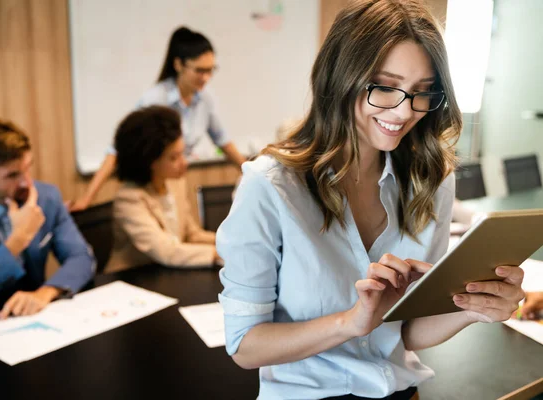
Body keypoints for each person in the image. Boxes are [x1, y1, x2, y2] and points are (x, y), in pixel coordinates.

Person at [216, 1, 525, 399]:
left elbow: (406, 331)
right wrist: (350, 322)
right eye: (385, 86)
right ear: (340, 77)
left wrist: (472, 308)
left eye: (421, 92)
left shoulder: (431, 181)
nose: (403, 111)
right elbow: (245, 345)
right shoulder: (270, 186)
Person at [70, 26, 246, 211]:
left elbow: (223, 141)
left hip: (176, 183)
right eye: (200, 71)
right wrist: (87, 198)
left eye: (210, 70)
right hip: (147, 190)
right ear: (178, 65)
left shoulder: (205, 99)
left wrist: (251, 173)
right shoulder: (155, 99)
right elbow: (116, 150)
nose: (206, 78)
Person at [0, 118, 94, 318]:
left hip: (31, 320)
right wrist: (17, 240)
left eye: (28, 167)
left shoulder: (46, 197)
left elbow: (82, 257)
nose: (27, 182)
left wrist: (45, 293)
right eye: (12, 175)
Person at [105, 106, 221, 273]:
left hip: (170, 274)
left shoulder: (175, 183)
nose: (184, 163)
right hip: (134, 281)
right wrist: (220, 253)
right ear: (149, 162)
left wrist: (232, 241)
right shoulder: (129, 199)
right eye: (174, 157)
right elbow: (167, 251)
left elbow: (192, 235)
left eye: (183, 153)